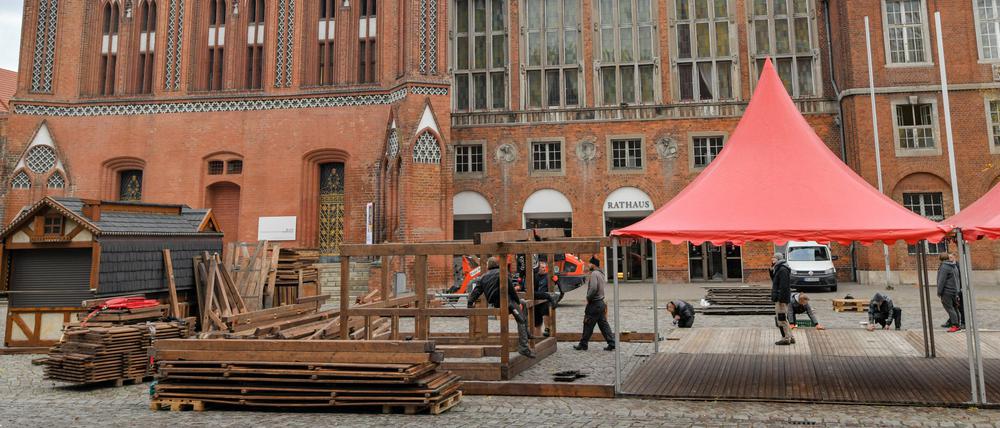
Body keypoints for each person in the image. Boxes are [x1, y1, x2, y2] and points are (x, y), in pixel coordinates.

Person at [468, 257, 536, 358]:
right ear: (497, 264)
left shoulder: (482, 277)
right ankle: (524, 347)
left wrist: (469, 303)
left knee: (524, 303)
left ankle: (526, 333)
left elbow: (475, 292)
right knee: (521, 320)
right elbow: (511, 289)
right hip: (507, 303)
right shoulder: (503, 273)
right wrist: (516, 301)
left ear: (488, 266)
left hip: (497, 303)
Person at [574, 256, 616, 351]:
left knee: (588, 323)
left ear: (593, 264)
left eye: (589, 263)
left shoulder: (594, 274)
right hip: (601, 303)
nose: (588, 265)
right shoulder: (601, 274)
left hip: (594, 303)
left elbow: (593, 288)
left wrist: (588, 297)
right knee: (603, 325)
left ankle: (583, 344)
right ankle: (612, 342)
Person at [770, 252, 794, 345]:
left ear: (779, 259)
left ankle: (785, 338)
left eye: (774, 258)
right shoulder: (779, 268)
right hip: (780, 297)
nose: (772, 259)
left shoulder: (783, 269)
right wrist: (771, 270)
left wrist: (780, 299)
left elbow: (784, 286)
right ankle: (791, 337)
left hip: (781, 299)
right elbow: (775, 281)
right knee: (784, 318)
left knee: (781, 318)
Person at [936, 252, 963, 332]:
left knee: (950, 308)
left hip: (947, 291)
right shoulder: (953, 265)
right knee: (954, 308)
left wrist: (939, 292)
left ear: (940, 259)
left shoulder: (944, 267)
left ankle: (955, 325)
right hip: (954, 291)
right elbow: (957, 279)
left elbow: (941, 280)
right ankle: (958, 324)